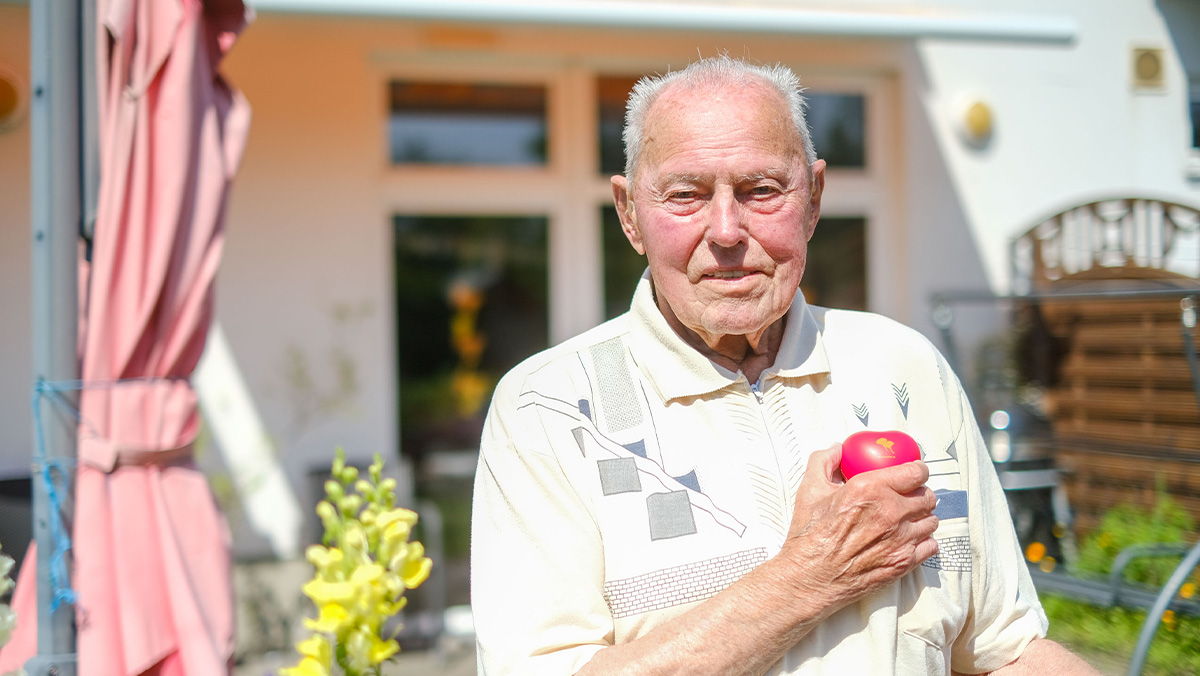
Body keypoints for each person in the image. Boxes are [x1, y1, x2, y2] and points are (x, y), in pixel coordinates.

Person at [470, 55, 1100, 675]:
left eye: (761, 190)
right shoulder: (547, 409)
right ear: (630, 213)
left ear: (815, 197)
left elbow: (1004, 650)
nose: (725, 230)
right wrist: (810, 576)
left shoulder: (904, 367)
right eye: (686, 195)